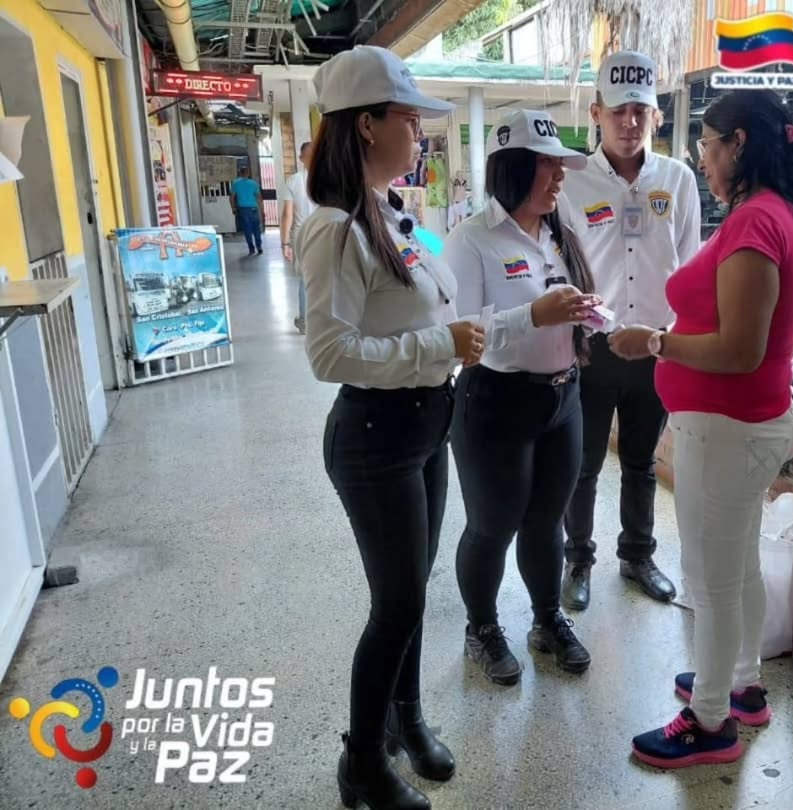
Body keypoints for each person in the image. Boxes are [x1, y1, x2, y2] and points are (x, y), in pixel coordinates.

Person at [296, 45, 486, 809]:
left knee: (413, 590)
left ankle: (407, 720)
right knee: (398, 604)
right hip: (375, 437)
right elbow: (329, 353)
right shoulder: (336, 228)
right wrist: (439, 345)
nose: (420, 133)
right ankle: (363, 763)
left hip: (425, 424)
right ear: (367, 125)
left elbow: (435, 298)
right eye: (409, 119)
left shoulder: (394, 215)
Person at [613, 90, 793, 768]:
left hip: (728, 428)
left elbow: (739, 350)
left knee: (710, 578)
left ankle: (709, 721)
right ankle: (741, 684)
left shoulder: (757, 222)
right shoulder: (773, 213)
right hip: (743, 425)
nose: (701, 159)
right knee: (736, 565)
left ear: (738, 144)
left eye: (707, 144)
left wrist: (655, 343)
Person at [443, 109, 600, 686]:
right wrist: (534, 314)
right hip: (496, 401)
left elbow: (566, 305)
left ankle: (546, 618)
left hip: (563, 399)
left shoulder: (560, 233)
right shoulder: (471, 239)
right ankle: (481, 628)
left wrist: (586, 311)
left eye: (561, 166)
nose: (559, 177)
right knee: (493, 524)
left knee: (546, 521)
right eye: (546, 166)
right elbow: (461, 333)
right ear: (511, 169)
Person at [559, 50, 701, 611]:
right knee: (583, 465)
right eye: (618, 110)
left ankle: (638, 555)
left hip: (655, 347)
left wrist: (676, 342)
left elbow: (689, 267)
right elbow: (560, 266)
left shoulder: (678, 180)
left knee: (643, 462)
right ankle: (577, 558)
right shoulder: (571, 181)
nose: (629, 122)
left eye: (640, 110)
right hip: (592, 348)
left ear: (656, 115)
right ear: (596, 112)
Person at [281, 141, 314, 333]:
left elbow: (288, 214)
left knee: (305, 279)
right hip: (325, 232)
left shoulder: (293, 180)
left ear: (301, 159)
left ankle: (305, 322)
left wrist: (285, 243)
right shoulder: (330, 179)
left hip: (301, 236)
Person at [231, 166, 264, 255]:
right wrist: (262, 210)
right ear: (248, 173)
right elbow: (259, 198)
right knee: (256, 229)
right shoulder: (254, 183)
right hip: (253, 209)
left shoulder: (235, 184)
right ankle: (259, 247)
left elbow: (232, 197)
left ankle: (251, 248)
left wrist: (233, 208)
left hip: (243, 210)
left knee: (247, 230)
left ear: (240, 173)